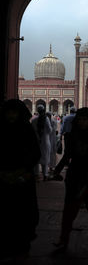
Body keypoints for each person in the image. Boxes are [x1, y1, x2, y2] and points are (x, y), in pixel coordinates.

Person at [53, 107, 88, 250]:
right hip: (74, 174)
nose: (82, 122)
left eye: (85, 119)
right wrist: (57, 170)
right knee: (69, 208)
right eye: (80, 119)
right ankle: (63, 239)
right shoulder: (71, 135)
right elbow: (67, 155)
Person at [0, 99, 41, 261]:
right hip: (3, 179)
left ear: (20, 113)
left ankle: (22, 247)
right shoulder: (1, 129)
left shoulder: (27, 130)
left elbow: (35, 154)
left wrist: (22, 172)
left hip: (22, 179)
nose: (11, 115)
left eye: (14, 112)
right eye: (8, 111)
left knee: (23, 213)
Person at [31, 105, 52, 181]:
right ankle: (45, 175)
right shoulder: (46, 119)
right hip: (45, 141)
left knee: (36, 159)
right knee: (45, 159)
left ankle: (36, 175)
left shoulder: (33, 120)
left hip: (36, 142)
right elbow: (50, 130)